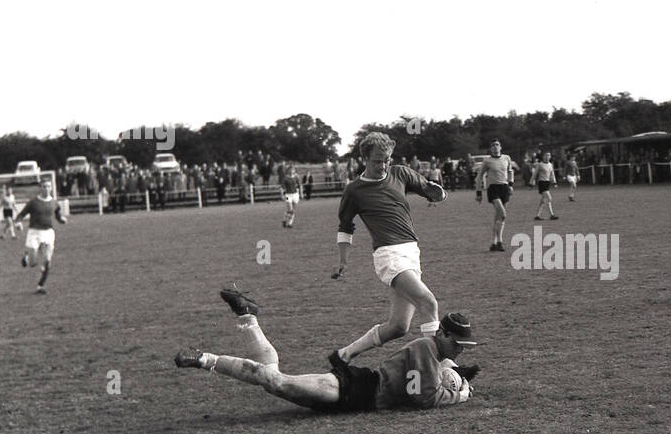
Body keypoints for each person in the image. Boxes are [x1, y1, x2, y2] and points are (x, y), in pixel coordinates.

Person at [175, 290, 479, 413]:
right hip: (356, 388)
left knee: (274, 378)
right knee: (275, 381)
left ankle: (248, 317)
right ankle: (205, 358)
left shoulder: (435, 352)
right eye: (457, 344)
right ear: (442, 334)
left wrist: (457, 375)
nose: (459, 352)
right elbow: (423, 397)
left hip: (357, 394)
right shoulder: (427, 347)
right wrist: (461, 393)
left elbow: (437, 374)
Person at [330, 131, 449, 360]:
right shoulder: (354, 190)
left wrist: (438, 194)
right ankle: (438, 368)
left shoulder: (401, 174)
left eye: (387, 160)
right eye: (377, 161)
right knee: (428, 302)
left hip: (411, 252)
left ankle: (344, 354)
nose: (383, 165)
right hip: (389, 255)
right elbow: (345, 227)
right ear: (365, 159)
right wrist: (342, 261)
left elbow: (432, 191)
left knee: (398, 326)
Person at [15, 182, 67, 294]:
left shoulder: (54, 202)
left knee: (48, 261)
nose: (47, 188)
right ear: (40, 188)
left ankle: (40, 286)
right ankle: (27, 258)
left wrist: (61, 219)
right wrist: (18, 223)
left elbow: (58, 214)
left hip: (48, 232)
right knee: (33, 263)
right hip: (34, 232)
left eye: (49, 186)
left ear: (51, 188)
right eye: (44, 186)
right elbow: (21, 214)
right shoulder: (33, 202)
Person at [475, 140, 518, 251]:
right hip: (493, 189)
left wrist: (511, 184)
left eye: (497, 145)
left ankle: (493, 243)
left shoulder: (506, 158)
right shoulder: (487, 161)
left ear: (500, 147)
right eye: (493, 145)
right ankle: (500, 241)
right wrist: (479, 192)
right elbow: (480, 176)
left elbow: (510, 171)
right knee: (503, 214)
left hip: (504, 188)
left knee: (498, 217)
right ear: (491, 148)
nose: (495, 147)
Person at [532, 151, 559, 221]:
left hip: (547, 183)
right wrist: (531, 183)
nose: (547, 157)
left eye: (548, 155)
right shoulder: (540, 164)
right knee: (549, 198)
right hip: (541, 183)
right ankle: (552, 215)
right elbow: (534, 174)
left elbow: (552, 174)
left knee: (543, 201)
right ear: (543, 157)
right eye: (546, 155)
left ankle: (537, 216)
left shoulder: (550, 165)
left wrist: (554, 182)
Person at [280, 162, 301, 228]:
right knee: (290, 210)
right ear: (288, 170)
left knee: (293, 211)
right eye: (291, 170)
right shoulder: (285, 178)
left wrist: (301, 194)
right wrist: (282, 195)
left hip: (295, 195)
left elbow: (299, 186)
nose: (292, 171)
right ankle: (284, 218)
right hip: (287, 195)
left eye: (293, 169)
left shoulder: (296, 177)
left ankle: (290, 223)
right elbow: (282, 188)